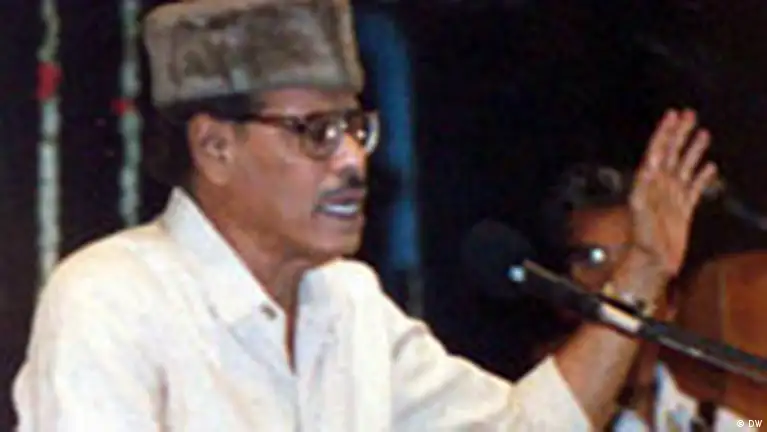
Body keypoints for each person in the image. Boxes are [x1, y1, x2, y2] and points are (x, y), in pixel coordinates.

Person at [12, 0, 717, 430]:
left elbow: (524, 428)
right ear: (215, 147)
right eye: (315, 132)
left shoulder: (347, 303)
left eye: (355, 127)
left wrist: (641, 272)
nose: (352, 160)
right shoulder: (113, 299)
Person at [537, 163, 753, 430]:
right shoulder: (522, 418)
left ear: (672, 300)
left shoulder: (723, 424)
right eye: (593, 259)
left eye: (637, 263)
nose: (614, 283)